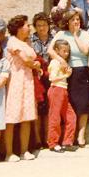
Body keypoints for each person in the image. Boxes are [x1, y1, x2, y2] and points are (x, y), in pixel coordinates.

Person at [50, 10, 89, 147]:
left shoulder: (85, 34)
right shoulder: (60, 34)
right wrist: (61, 60)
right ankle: (67, 135)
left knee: (82, 105)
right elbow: (50, 50)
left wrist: (76, 35)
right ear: (67, 22)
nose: (76, 22)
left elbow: (85, 51)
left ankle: (80, 136)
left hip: (81, 71)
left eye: (78, 19)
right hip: (65, 72)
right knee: (68, 105)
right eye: (73, 20)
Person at [5, 15, 40, 161]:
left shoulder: (26, 43)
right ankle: (9, 153)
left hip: (27, 81)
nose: (29, 28)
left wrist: (34, 64)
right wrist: (35, 65)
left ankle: (24, 150)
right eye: (27, 25)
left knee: (27, 116)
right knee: (12, 117)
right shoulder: (13, 42)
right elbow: (26, 60)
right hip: (15, 81)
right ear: (19, 28)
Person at [46, 39, 77, 153]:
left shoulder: (62, 62)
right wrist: (67, 75)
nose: (66, 53)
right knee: (55, 117)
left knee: (71, 116)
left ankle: (67, 142)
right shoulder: (55, 62)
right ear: (57, 51)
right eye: (64, 51)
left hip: (63, 90)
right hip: (56, 89)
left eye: (67, 51)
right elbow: (52, 78)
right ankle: (53, 143)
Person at [30, 12, 53, 148]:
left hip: (51, 76)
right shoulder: (31, 40)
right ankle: (38, 139)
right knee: (38, 109)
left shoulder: (54, 39)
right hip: (37, 77)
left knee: (48, 109)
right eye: (38, 25)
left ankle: (47, 138)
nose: (42, 28)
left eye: (44, 25)